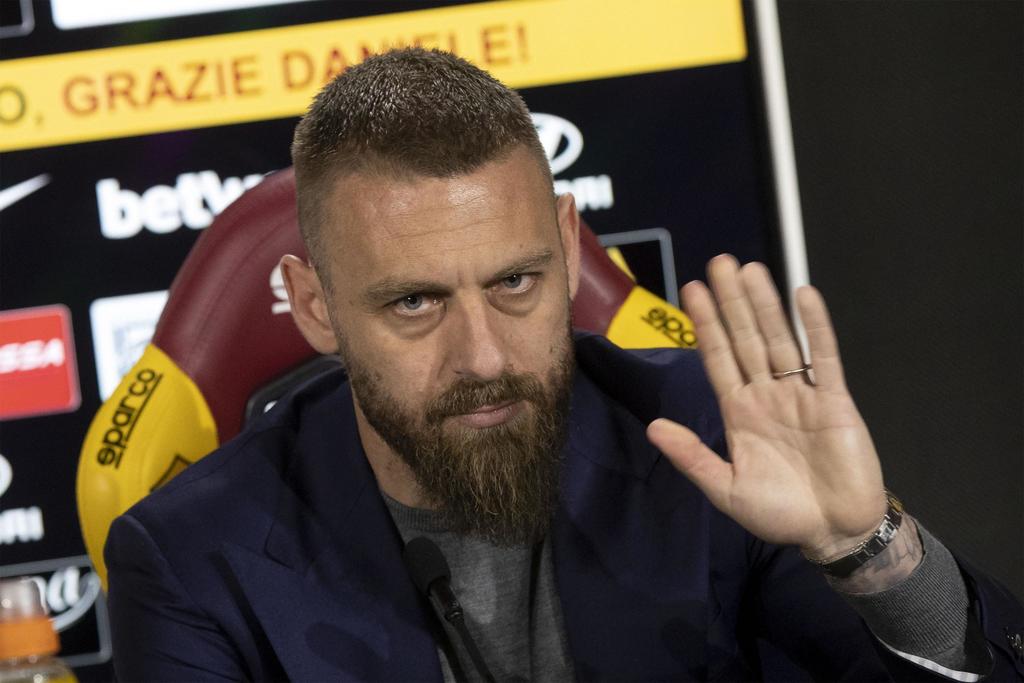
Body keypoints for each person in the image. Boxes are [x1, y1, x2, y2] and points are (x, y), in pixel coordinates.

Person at [105, 48, 1023, 681]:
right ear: (314, 306)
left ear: (567, 248)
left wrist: (865, 549)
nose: (484, 355)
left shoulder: (709, 437)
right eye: (415, 302)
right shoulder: (191, 557)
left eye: (515, 281)